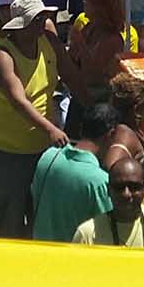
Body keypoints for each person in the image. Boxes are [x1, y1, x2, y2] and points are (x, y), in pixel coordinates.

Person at [0, 0, 62, 238]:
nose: (43, 23)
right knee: (7, 216)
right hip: (6, 148)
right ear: (21, 26)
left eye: (44, 17)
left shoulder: (47, 43)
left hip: (41, 147)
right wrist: (52, 129)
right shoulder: (0, 55)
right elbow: (18, 101)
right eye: (38, 19)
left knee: (38, 212)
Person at [32, 98, 116, 242]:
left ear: (82, 127)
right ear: (111, 135)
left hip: (40, 250)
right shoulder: (100, 181)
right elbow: (106, 231)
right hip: (74, 258)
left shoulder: (48, 157)